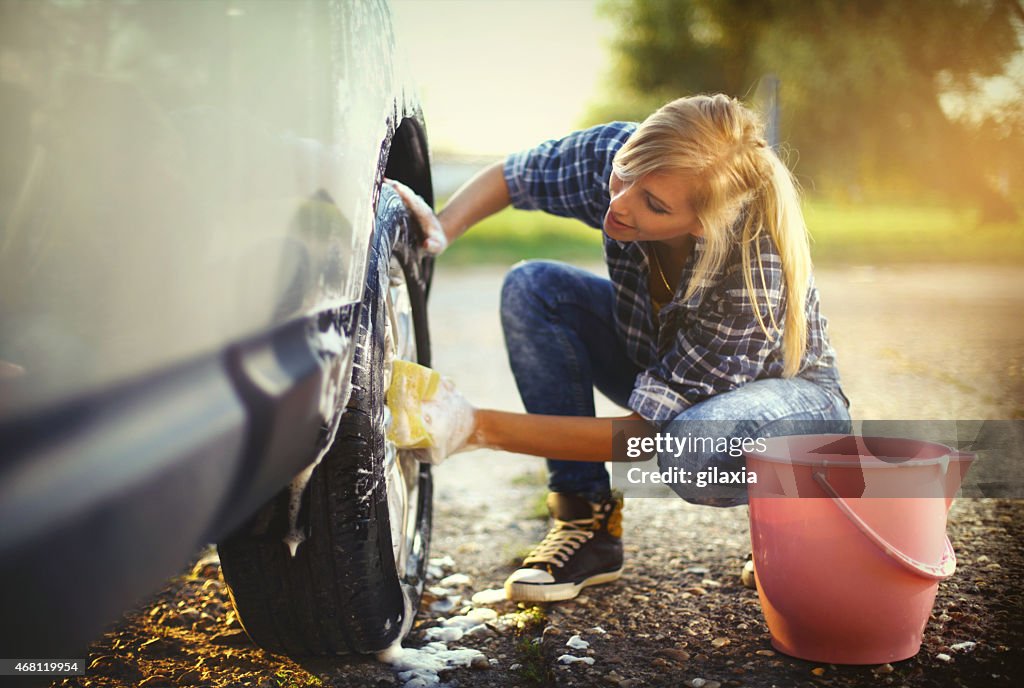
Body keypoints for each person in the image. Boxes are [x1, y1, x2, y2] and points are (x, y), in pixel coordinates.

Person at [386, 93, 851, 604]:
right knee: (534, 288)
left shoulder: (752, 271)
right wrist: (441, 230)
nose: (620, 203)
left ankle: (807, 506)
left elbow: (641, 438)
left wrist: (475, 427)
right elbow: (514, 177)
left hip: (793, 406)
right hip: (659, 355)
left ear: (701, 223)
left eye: (653, 204)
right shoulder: (624, 158)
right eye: (623, 175)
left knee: (689, 452)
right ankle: (586, 523)